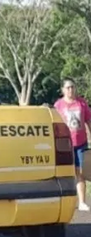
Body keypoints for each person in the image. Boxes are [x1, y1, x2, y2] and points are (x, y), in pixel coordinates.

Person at [53, 77, 91, 212]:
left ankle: (82, 202)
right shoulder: (58, 105)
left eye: (72, 87)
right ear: (63, 90)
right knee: (65, 172)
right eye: (68, 87)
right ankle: (65, 202)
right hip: (64, 144)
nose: (71, 90)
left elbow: (88, 121)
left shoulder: (82, 103)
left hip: (81, 142)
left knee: (81, 172)